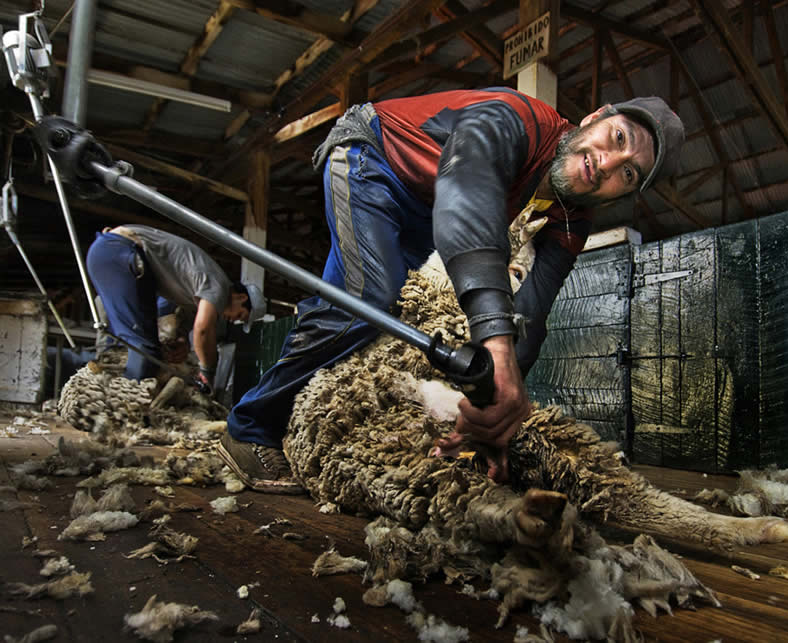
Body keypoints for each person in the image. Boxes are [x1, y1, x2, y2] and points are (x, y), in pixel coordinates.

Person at [218, 87, 683, 491]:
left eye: (628, 174)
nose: (606, 164)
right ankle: (249, 427)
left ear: (623, 195)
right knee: (369, 301)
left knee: (368, 308)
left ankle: (305, 412)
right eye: (618, 139)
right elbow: (466, 195)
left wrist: (493, 411)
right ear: (595, 117)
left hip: (425, 208)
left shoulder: (571, 218)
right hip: (374, 157)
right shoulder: (515, 118)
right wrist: (495, 348)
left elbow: (533, 313)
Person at [86, 224, 266, 390]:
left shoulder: (197, 295)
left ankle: (121, 396)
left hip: (115, 254)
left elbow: (186, 323)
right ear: (241, 297)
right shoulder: (219, 287)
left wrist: (182, 341)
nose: (234, 320)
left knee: (148, 349)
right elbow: (203, 330)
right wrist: (208, 371)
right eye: (241, 315)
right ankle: (126, 408)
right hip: (119, 252)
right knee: (142, 348)